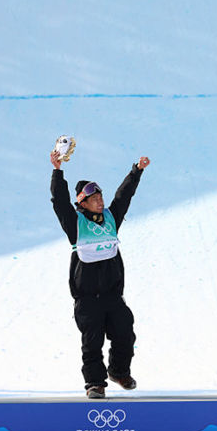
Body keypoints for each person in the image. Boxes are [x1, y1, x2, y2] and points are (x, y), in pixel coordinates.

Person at [50, 150, 150, 398]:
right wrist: (57, 171)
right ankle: (95, 384)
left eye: (100, 196)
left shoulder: (111, 218)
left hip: (112, 295)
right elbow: (60, 201)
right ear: (82, 203)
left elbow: (124, 196)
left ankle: (118, 371)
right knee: (92, 343)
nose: (100, 200)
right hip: (87, 299)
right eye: (94, 198)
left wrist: (136, 171)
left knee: (125, 333)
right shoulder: (75, 224)